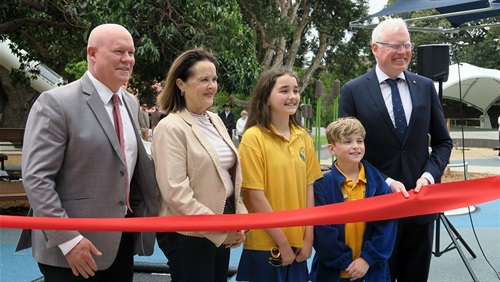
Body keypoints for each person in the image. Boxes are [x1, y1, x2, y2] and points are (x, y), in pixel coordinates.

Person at [16, 23, 158, 281]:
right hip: (71, 249)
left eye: (131, 52)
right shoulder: (56, 103)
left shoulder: (130, 102)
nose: (128, 60)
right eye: (119, 52)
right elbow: (37, 179)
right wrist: (69, 240)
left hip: (120, 242)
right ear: (92, 54)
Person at [338, 18, 453, 282]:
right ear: (375, 49)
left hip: (420, 210)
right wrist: (386, 181)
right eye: (394, 46)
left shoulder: (424, 87)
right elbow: (348, 151)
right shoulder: (353, 90)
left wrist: (428, 176)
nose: (403, 52)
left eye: (407, 45)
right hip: (376, 208)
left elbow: (443, 142)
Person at [152, 47, 247, 282]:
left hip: (221, 221)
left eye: (214, 79)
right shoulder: (170, 127)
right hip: (189, 233)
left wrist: (240, 219)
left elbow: (229, 175)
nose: (212, 86)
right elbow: (175, 192)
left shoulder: (215, 120)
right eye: (204, 79)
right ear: (181, 84)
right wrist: (220, 229)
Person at [236, 68, 324, 282]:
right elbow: (255, 196)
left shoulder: (303, 137)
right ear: (266, 97)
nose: (292, 96)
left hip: (299, 244)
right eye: (284, 90)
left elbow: (308, 188)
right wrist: (282, 243)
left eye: (295, 90)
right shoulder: (253, 137)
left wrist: (308, 237)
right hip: (266, 245)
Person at [310, 117, 397, 282]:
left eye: (359, 140)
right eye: (348, 141)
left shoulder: (378, 183)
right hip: (334, 273)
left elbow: (387, 225)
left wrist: (367, 259)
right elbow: (322, 232)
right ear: (332, 148)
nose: (356, 146)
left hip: (371, 272)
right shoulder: (321, 187)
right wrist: (345, 262)